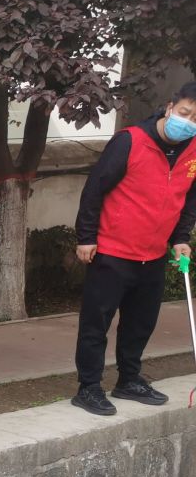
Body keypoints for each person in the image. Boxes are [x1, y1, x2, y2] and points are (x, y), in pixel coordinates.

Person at [71, 81, 196, 416]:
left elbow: (189, 199)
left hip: (153, 253)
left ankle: (128, 380)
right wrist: (86, 236)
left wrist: (181, 238)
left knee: (141, 323)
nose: (188, 122)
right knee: (96, 323)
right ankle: (89, 387)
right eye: (185, 113)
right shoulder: (130, 141)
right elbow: (94, 190)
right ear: (170, 107)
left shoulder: (193, 152)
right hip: (111, 250)